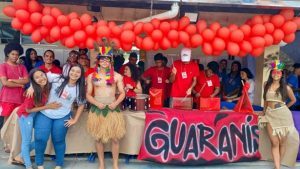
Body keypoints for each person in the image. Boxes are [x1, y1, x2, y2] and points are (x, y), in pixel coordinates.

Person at [32, 64, 86, 169]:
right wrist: (31, 87)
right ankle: (39, 164)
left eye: (78, 72)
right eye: (72, 70)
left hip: (62, 116)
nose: (74, 73)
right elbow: (38, 77)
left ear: (81, 75)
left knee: (58, 140)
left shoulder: (80, 88)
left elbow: (81, 104)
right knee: (40, 138)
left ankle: (59, 164)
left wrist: (75, 119)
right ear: (69, 71)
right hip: (45, 113)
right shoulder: (57, 78)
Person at [86, 48, 126, 169]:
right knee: (98, 138)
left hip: (113, 109)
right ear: (98, 61)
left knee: (115, 139)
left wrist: (116, 103)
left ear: (110, 61)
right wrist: (96, 103)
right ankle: (102, 164)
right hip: (97, 109)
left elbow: (122, 93)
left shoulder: (118, 76)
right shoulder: (91, 76)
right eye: (102, 59)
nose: (104, 61)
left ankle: (115, 164)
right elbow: (88, 94)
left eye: (107, 59)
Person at [16, 69, 61, 169]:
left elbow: (59, 77)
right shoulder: (31, 93)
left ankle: (20, 156)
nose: (41, 78)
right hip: (25, 116)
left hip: (34, 114)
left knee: (40, 140)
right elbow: (27, 110)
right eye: (37, 78)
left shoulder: (46, 86)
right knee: (26, 141)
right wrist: (48, 106)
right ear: (33, 81)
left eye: (42, 75)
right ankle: (28, 166)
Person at [259, 61, 298, 169]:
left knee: (282, 142)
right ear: (271, 73)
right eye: (274, 72)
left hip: (283, 116)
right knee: (274, 142)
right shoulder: (266, 84)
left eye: (279, 73)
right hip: (269, 115)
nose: (276, 74)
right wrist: (263, 111)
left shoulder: (286, 88)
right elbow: (265, 99)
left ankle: (277, 167)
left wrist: (283, 107)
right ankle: (277, 166)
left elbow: (293, 100)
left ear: (282, 74)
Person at [0, 42, 29, 153]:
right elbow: (5, 83)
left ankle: (14, 143)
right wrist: (20, 85)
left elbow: (27, 80)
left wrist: (13, 80)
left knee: (17, 121)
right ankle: (7, 144)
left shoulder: (21, 67)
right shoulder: (3, 66)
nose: (15, 56)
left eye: (17, 54)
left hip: (20, 99)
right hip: (6, 98)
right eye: (13, 54)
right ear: (8, 54)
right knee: (7, 122)